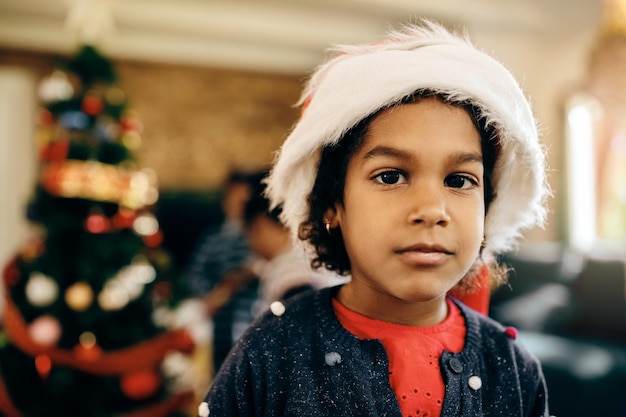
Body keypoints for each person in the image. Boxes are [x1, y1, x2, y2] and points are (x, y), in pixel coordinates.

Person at [198, 20, 551, 417]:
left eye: (459, 180)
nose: (433, 210)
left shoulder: (513, 369)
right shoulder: (273, 349)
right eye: (391, 176)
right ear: (332, 204)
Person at [185, 168, 268, 374]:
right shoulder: (214, 239)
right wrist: (213, 293)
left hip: (254, 313)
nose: (239, 204)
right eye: (235, 197)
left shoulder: (262, 237)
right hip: (219, 318)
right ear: (225, 200)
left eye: (245, 198)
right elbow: (195, 274)